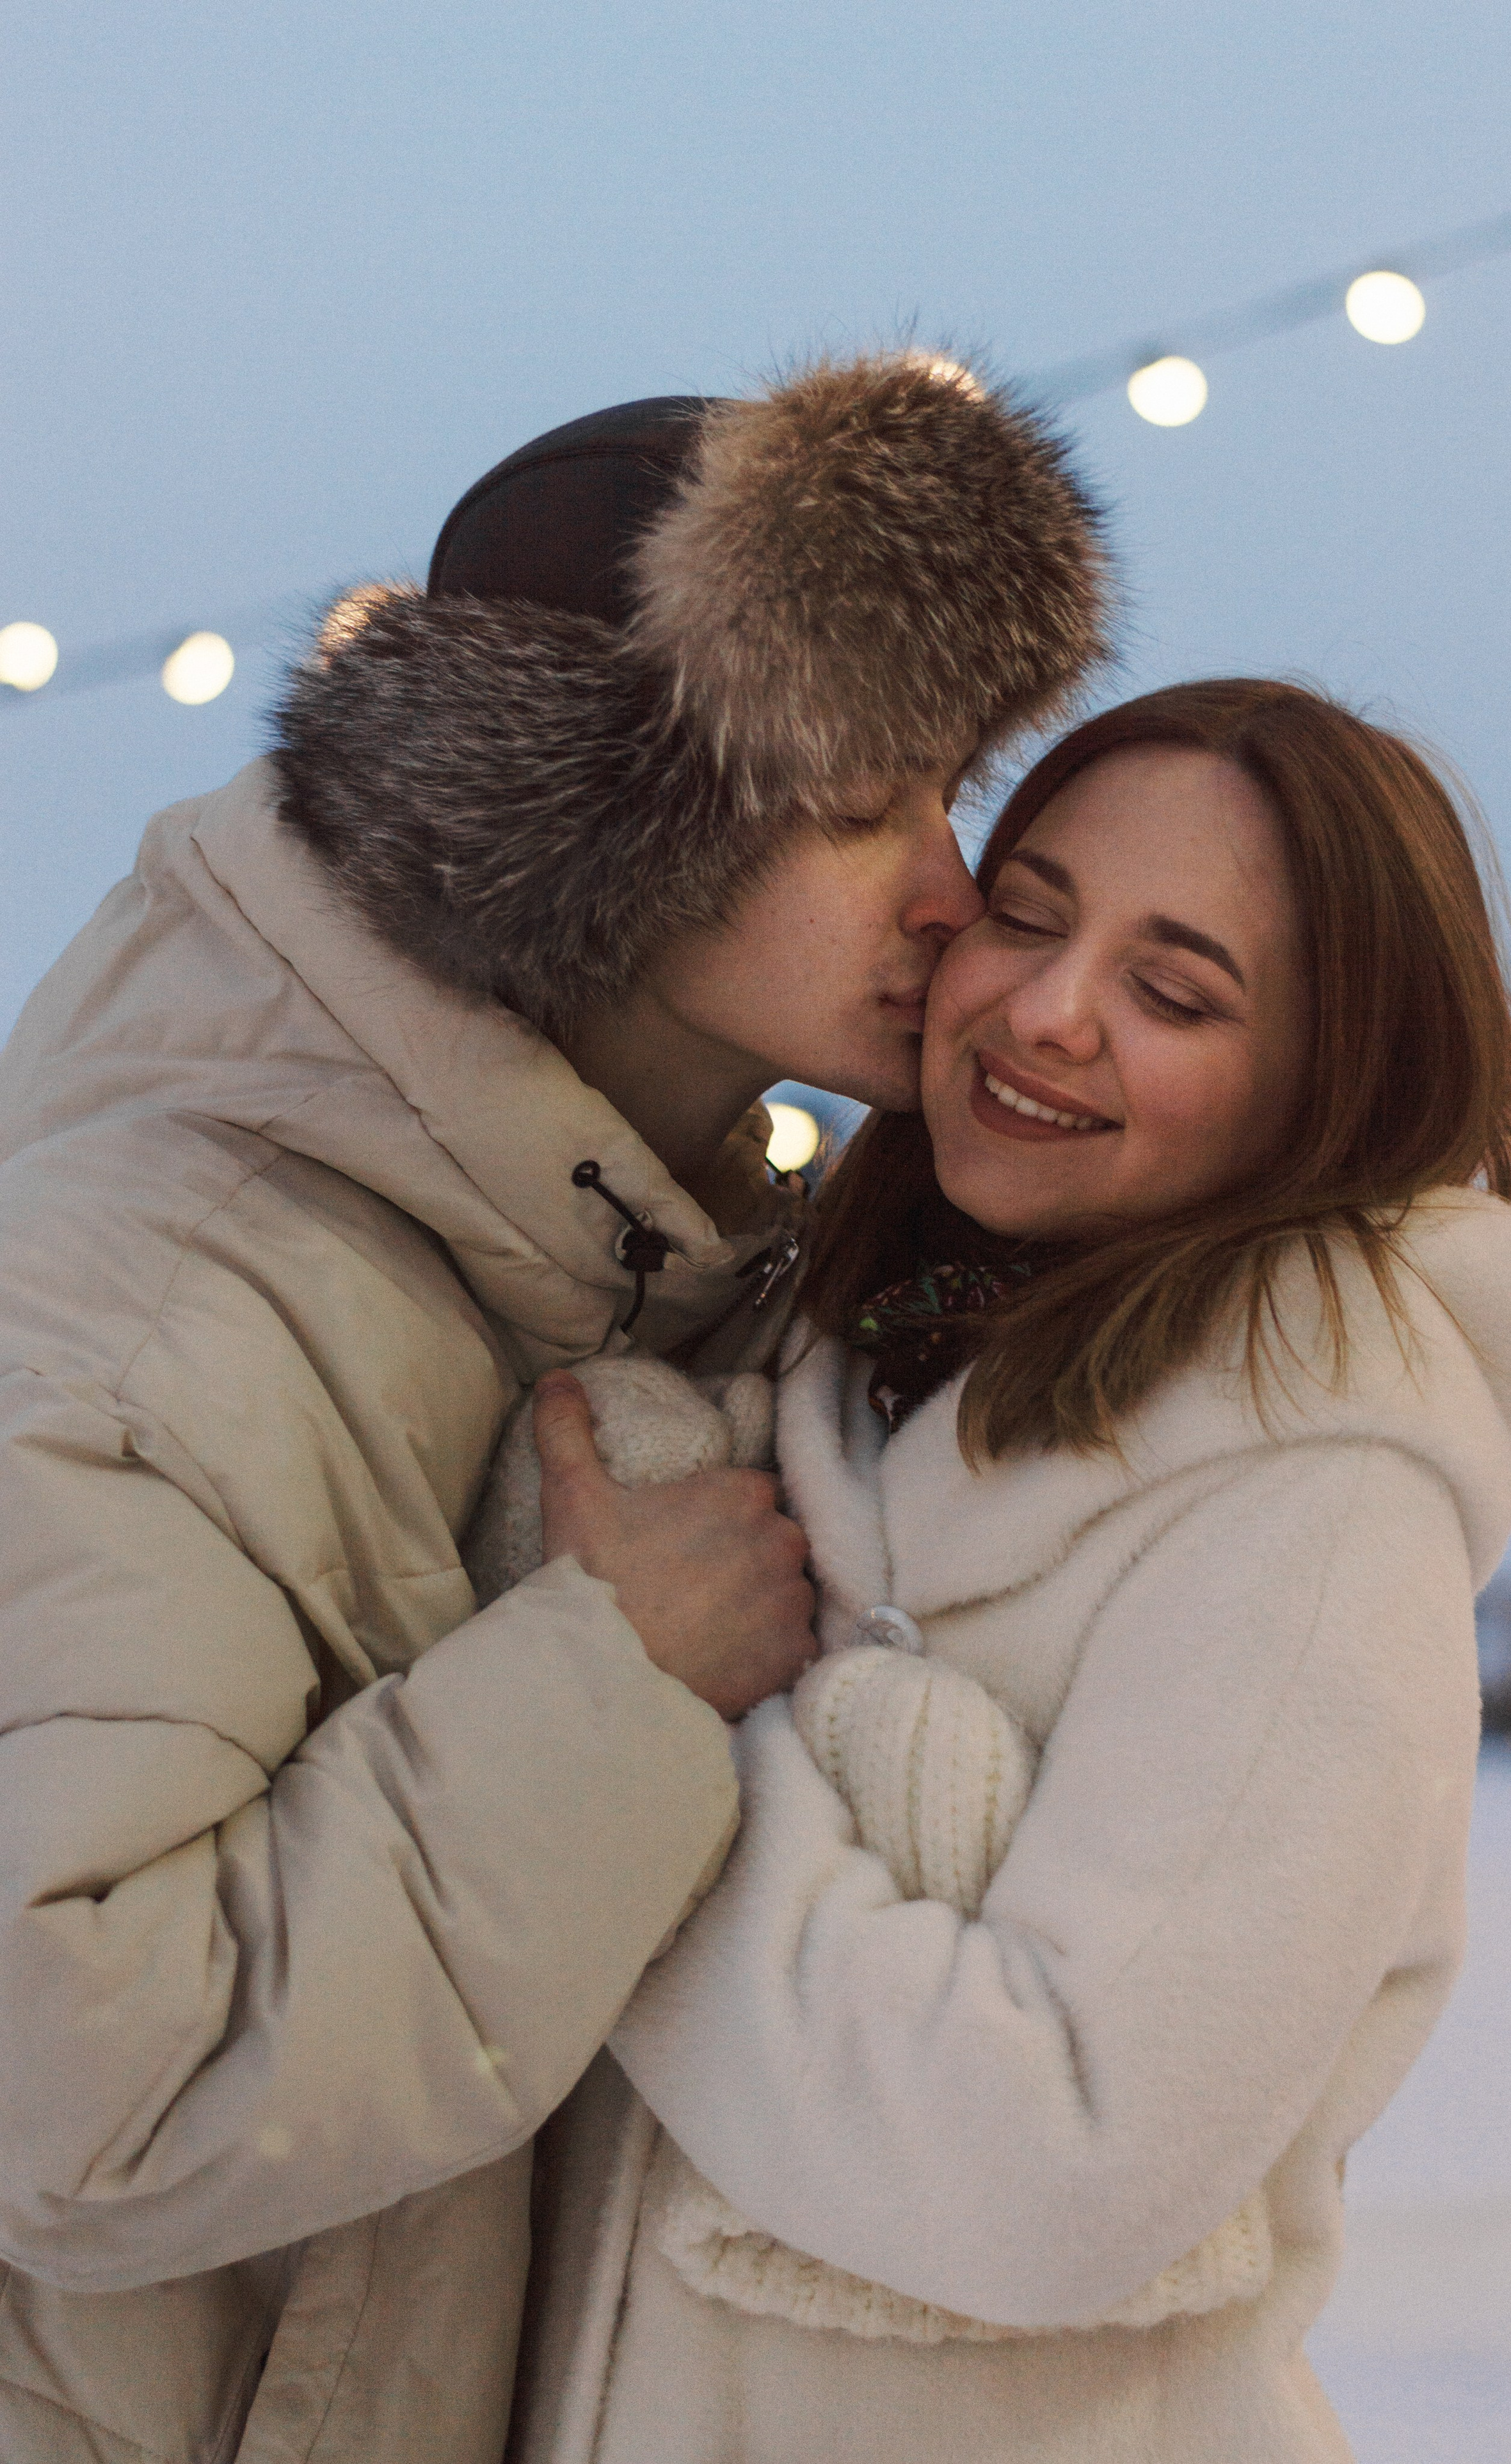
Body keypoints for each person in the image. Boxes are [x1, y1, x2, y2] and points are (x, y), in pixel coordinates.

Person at [0, 352, 1107, 2463]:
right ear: (615, 826)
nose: (951, 887)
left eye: (950, 794)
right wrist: (607, 1688)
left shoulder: (653, 1273)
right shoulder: (145, 1290)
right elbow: (75, 2092)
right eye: (865, 805)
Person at [517, 680, 1511, 2463]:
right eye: (1026, 917)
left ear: (1318, 1084)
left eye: (1174, 990)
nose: (1047, 1010)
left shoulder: (1315, 1513)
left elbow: (1048, 2166)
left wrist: (624, 1737)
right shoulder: (831, 1356)